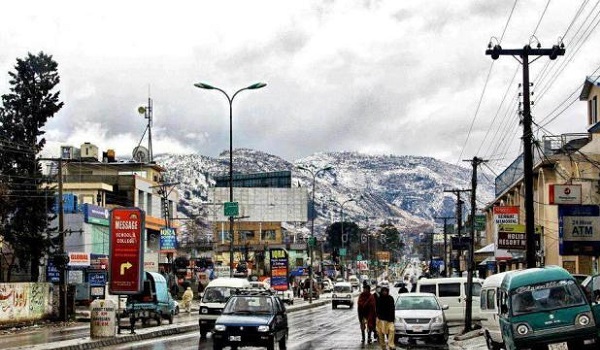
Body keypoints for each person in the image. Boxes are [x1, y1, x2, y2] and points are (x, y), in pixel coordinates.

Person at [376, 284, 396, 350]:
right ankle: (383, 346)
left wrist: (392, 319)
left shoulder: (390, 298)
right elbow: (377, 309)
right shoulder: (379, 299)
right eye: (383, 291)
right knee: (380, 334)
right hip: (381, 319)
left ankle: (391, 345)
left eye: (386, 291)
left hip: (389, 319)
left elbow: (392, 309)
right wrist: (378, 317)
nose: (384, 292)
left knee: (391, 331)